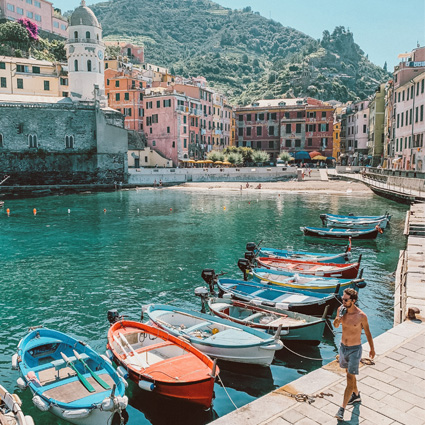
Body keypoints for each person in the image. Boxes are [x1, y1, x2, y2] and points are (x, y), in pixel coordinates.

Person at [333, 288, 375, 421]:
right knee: (348, 375)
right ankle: (356, 394)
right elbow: (336, 326)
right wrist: (338, 318)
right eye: (342, 299)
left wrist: (372, 349)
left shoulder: (361, 316)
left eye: (346, 300)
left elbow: (368, 333)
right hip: (343, 348)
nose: (343, 302)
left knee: (350, 378)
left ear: (353, 301)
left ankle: (342, 408)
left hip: (355, 350)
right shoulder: (341, 310)